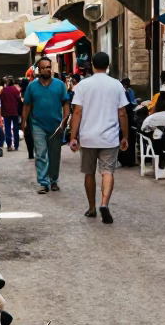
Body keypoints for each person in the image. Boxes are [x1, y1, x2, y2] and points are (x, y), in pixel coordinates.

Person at [69, 51, 129, 224]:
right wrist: (125, 136)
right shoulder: (116, 85)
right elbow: (122, 112)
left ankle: (92, 207)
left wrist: (73, 137)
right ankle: (104, 203)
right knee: (107, 171)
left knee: (89, 173)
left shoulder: (83, 85)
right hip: (109, 137)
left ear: (92, 65)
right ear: (108, 65)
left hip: (88, 137)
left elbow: (77, 112)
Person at [21, 56, 70, 194]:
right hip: (38, 124)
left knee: (55, 154)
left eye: (48, 67)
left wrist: (64, 121)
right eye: (43, 67)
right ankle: (43, 182)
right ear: (38, 70)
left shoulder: (60, 85)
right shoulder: (32, 86)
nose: (46, 70)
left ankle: (53, 180)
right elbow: (27, 106)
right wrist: (23, 122)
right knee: (41, 153)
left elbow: (66, 104)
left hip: (56, 125)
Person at [0, 76, 23, 151]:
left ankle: (9, 145)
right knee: (15, 129)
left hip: (6, 112)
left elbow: (0, 100)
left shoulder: (4, 90)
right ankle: (16, 145)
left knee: (8, 129)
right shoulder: (15, 90)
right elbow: (19, 99)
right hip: (15, 112)